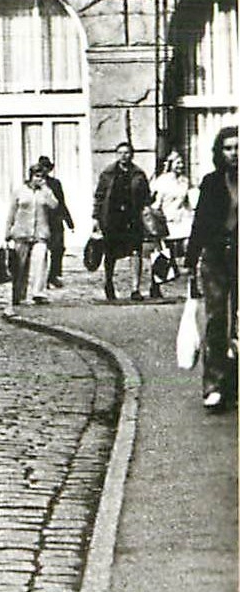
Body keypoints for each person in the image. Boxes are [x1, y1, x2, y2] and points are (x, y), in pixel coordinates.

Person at [184, 125, 238, 412]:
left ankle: (235, 383)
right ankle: (214, 385)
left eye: (238, 148)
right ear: (220, 152)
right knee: (217, 320)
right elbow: (201, 223)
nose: (234, 153)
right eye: (228, 148)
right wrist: (191, 261)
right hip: (216, 258)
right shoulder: (212, 182)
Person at [92, 139, 153, 302]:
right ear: (116, 155)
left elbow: (146, 196)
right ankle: (109, 283)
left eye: (127, 153)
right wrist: (96, 218)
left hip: (132, 218)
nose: (124, 156)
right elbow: (99, 196)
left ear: (132, 155)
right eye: (120, 153)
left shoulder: (139, 174)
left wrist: (146, 211)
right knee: (110, 253)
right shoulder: (108, 173)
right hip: (112, 218)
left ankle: (135, 288)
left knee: (135, 252)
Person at [4, 162, 59, 306]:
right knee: (20, 265)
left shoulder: (45, 192)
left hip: (40, 233)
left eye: (41, 176)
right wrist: (7, 231)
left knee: (41, 262)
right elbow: (11, 212)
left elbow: (54, 205)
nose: (38, 179)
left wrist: (46, 189)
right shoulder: (19, 191)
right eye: (36, 176)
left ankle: (38, 293)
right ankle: (19, 294)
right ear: (30, 176)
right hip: (21, 233)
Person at [151, 150, 195, 278]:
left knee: (190, 247)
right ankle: (156, 285)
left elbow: (189, 200)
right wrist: (154, 220)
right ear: (170, 164)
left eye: (181, 163)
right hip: (167, 220)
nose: (180, 166)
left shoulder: (185, 181)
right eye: (177, 163)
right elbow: (156, 203)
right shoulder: (162, 181)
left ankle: (192, 284)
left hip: (183, 219)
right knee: (164, 253)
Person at [34, 155, 74, 288]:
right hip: (41, 220)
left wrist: (69, 222)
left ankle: (53, 275)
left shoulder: (55, 183)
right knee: (42, 250)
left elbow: (62, 202)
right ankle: (41, 278)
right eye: (42, 167)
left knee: (58, 249)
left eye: (46, 167)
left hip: (56, 220)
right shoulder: (33, 184)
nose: (44, 171)